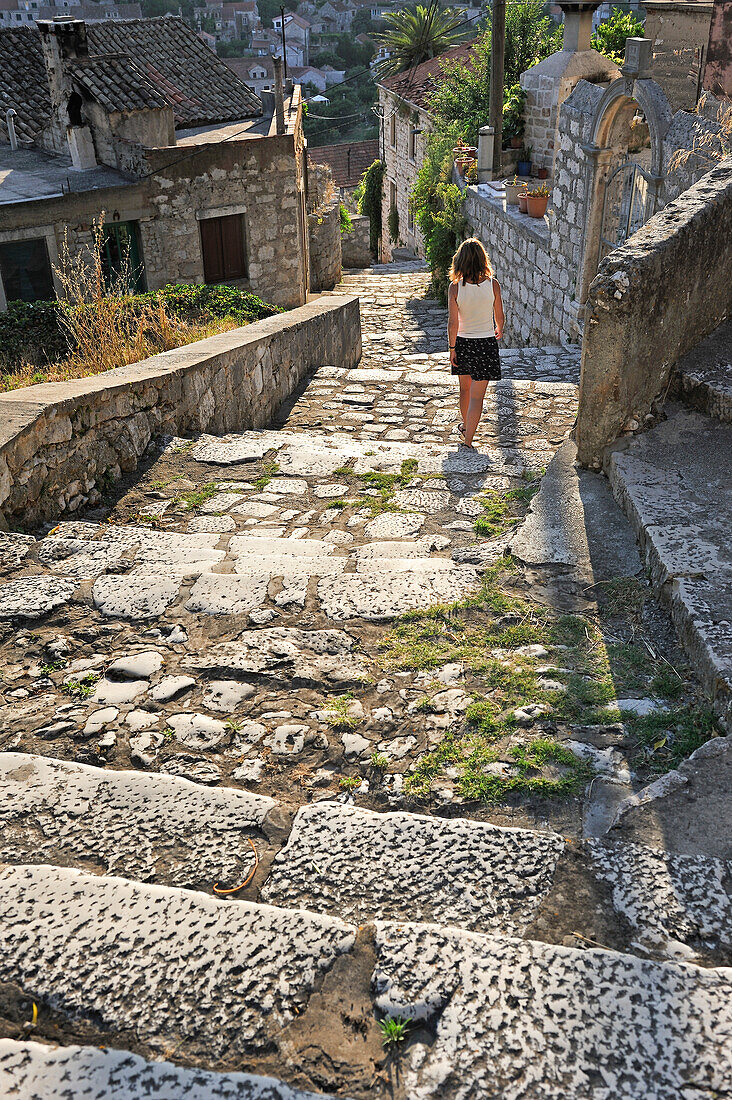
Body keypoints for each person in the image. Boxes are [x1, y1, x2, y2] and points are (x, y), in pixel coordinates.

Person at [447, 238, 504, 450]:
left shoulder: (455, 289)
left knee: (465, 390)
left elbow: (453, 323)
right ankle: (468, 437)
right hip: (486, 344)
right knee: (478, 396)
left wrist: (452, 348)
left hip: (463, 343)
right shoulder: (493, 285)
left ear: (460, 261)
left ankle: (466, 427)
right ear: (483, 260)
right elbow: (500, 317)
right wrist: (499, 328)